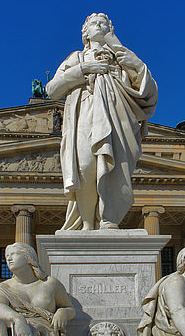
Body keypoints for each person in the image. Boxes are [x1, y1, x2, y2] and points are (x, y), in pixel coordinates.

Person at [46, 13, 158, 230]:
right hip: (86, 114)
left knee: (116, 170)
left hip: (118, 118)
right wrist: (84, 70)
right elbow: (52, 90)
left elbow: (148, 90)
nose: (99, 26)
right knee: (85, 167)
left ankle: (109, 219)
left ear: (111, 29)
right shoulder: (76, 58)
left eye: (103, 24)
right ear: (85, 32)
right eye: (94, 24)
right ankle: (87, 222)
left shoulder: (122, 57)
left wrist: (118, 47)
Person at [0, 243, 75, 336]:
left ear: (28, 257)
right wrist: (17, 318)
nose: (9, 259)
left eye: (14, 254)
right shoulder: (0, 289)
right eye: (7, 256)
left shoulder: (50, 283)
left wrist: (62, 312)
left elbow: (70, 309)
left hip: (48, 332)